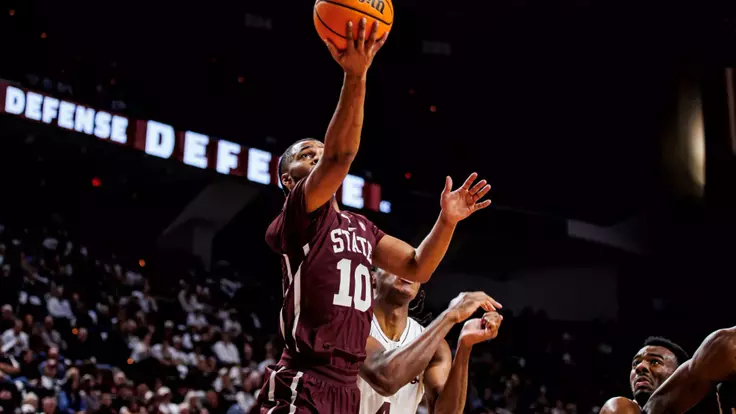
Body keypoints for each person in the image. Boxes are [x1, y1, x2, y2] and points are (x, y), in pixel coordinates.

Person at [257, 17, 494, 414]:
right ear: (286, 179)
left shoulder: (361, 227)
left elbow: (418, 266)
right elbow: (339, 156)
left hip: (346, 388)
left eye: (318, 149)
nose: (315, 156)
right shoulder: (298, 216)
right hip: (307, 378)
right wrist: (357, 75)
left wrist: (446, 221)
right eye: (304, 155)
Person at [358, 268, 503, 414]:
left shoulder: (436, 347)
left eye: (413, 268)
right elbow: (386, 380)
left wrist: (465, 346)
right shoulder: (350, 327)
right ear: (372, 277)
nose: (407, 272)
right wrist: (449, 315)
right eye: (396, 265)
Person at [601, 329, 736, 414]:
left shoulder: (711, 395)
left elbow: (725, 346)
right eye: (635, 363)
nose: (640, 367)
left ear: (678, 371)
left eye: (655, 362)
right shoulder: (620, 408)